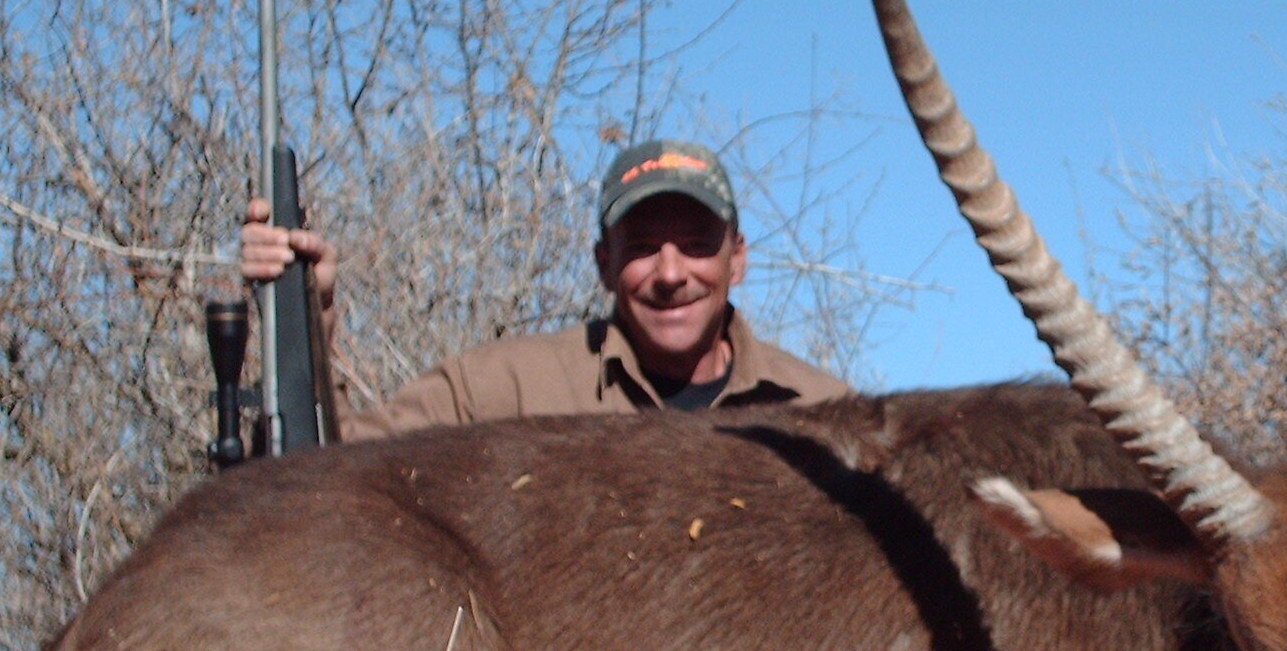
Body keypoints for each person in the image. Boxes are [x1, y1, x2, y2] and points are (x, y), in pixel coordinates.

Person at [238, 138, 847, 439]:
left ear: (736, 259)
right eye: (640, 248)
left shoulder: (827, 414)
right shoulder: (500, 391)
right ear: (603, 264)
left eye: (694, 243)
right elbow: (340, 465)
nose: (669, 273)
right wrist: (308, 313)